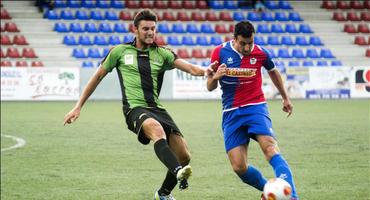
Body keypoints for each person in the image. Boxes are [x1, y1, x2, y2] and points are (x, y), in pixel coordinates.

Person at [64, 9, 214, 200]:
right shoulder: (119, 51)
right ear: (135, 29)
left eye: (153, 28)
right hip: (134, 109)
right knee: (157, 131)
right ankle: (177, 171)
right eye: (145, 29)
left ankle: (163, 194)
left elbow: (192, 68)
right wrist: (78, 106)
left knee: (184, 155)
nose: (150, 32)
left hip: (157, 108)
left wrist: (207, 71)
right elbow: (97, 77)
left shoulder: (163, 54)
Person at [206, 21, 299, 200]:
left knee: (270, 148)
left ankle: (292, 196)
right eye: (243, 43)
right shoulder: (219, 52)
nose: (248, 47)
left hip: (255, 107)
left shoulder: (261, 53)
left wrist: (285, 97)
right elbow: (210, 86)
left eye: (250, 42)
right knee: (239, 167)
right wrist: (215, 77)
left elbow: (273, 72)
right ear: (234, 39)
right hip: (231, 112)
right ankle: (272, 191)